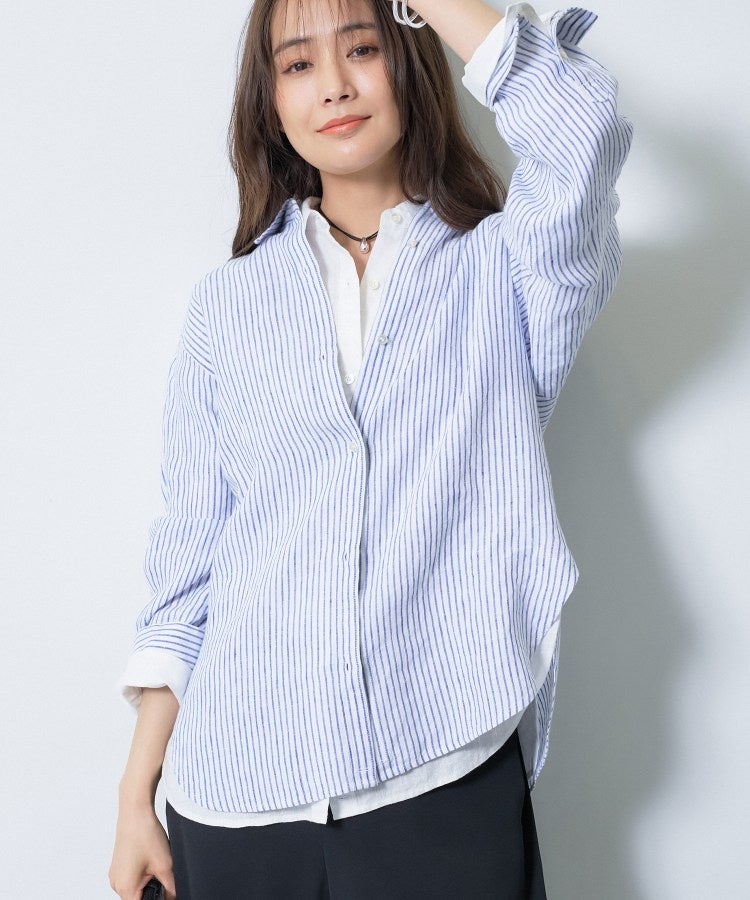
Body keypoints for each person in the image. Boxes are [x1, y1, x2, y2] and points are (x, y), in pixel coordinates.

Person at [109, 0, 633, 897]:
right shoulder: (226, 308)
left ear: (410, 63)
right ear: (270, 101)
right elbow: (191, 568)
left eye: (362, 50)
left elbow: (581, 133)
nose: (334, 86)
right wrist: (134, 797)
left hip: (441, 774)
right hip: (233, 798)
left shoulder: (507, 271)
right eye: (297, 64)